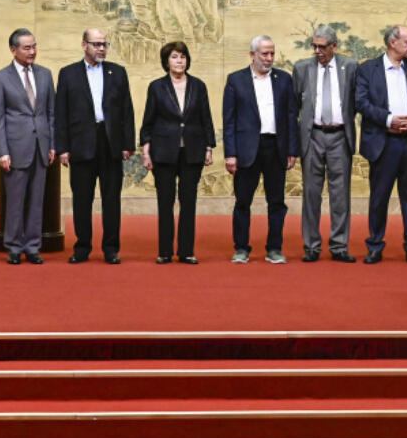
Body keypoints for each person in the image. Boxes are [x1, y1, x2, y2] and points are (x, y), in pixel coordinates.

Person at [56, 28, 136, 265]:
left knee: (111, 198)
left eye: (104, 44)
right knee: (82, 198)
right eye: (96, 44)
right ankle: (82, 247)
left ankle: (111, 248)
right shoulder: (68, 74)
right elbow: (61, 113)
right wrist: (62, 148)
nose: (101, 48)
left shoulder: (117, 72)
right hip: (80, 143)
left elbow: (127, 110)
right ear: (84, 45)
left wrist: (127, 143)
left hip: (110, 142)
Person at [355, 24, 407, 265]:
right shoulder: (368, 69)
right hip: (383, 143)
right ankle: (375, 246)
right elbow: (361, 102)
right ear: (392, 43)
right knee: (379, 198)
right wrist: (388, 119)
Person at [222, 35, 299, 264]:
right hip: (247, 150)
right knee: (243, 201)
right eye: (264, 54)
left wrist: (292, 150)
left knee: (276, 202)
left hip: (276, 148)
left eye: (272, 53)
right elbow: (230, 121)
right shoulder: (236, 80)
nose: (269, 58)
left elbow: (290, 117)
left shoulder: (284, 80)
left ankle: (274, 248)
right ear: (252, 55)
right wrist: (230, 154)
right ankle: (241, 248)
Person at [139, 41, 215, 264]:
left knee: (188, 201)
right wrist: (146, 150)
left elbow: (206, 119)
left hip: (192, 151)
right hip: (163, 152)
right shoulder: (156, 87)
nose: (179, 61)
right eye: (174, 57)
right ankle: (164, 251)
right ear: (166, 61)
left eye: (183, 56)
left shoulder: (198, 86)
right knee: (165, 201)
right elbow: (148, 121)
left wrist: (209, 147)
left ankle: (186, 251)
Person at [292, 24, 358, 263]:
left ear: (334, 46)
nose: (318, 51)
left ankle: (339, 245)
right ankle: (311, 246)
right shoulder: (301, 68)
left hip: (340, 136)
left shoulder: (349, 67)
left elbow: (356, 101)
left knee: (340, 195)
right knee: (311, 193)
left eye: (322, 47)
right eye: (315, 46)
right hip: (312, 136)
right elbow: (294, 107)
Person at [0, 28, 55, 265]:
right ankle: (15, 246)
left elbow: (51, 113)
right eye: (27, 48)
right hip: (15, 148)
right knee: (16, 200)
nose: (32, 52)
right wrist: (2, 151)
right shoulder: (0, 78)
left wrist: (52, 144)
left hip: (41, 147)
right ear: (13, 49)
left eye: (34, 46)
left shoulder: (46, 75)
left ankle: (33, 246)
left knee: (37, 200)